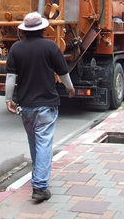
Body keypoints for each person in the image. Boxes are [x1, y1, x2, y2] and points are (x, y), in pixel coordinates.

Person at [5, 11, 75, 202]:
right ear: (44, 29)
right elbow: (63, 72)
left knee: (34, 142)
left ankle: (38, 177)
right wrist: (70, 88)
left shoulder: (16, 49)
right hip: (46, 104)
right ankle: (40, 186)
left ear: (25, 30)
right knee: (44, 143)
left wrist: (8, 99)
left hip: (25, 106)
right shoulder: (50, 47)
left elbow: (11, 76)